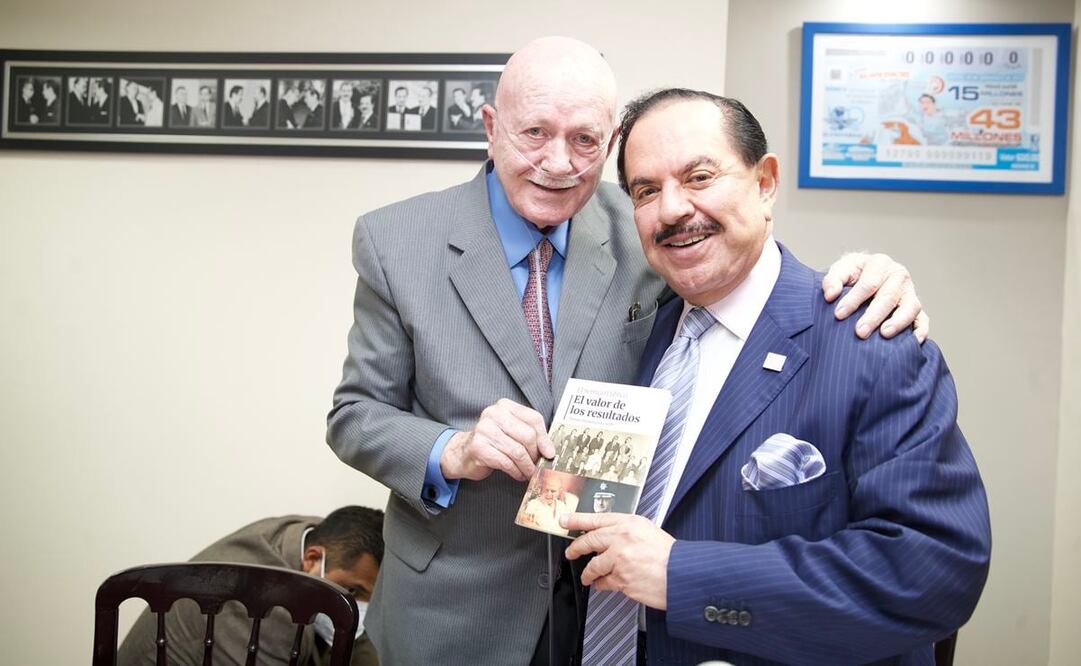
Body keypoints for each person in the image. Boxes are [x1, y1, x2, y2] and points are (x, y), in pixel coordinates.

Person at [327, 36, 927, 666]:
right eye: (534, 133)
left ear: (610, 142)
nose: (558, 163)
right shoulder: (396, 240)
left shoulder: (649, 223)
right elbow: (354, 415)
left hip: (611, 604)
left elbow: (744, 254)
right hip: (455, 607)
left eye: (585, 140)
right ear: (491, 127)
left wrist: (869, 273)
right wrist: (453, 449)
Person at [562, 89, 992, 665]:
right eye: (646, 191)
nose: (670, 210)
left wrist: (681, 575)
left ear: (765, 183)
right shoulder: (634, 335)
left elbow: (933, 571)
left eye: (699, 176)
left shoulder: (871, 343)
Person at [117, 506, 384, 666]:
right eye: (353, 592)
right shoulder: (266, 605)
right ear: (313, 558)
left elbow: (361, 638)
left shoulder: (319, 538)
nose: (359, 605)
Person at [521, 471, 579, 535]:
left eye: (553, 491)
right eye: (546, 490)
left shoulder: (562, 507)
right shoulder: (533, 505)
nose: (549, 494)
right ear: (542, 488)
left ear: (559, 491)